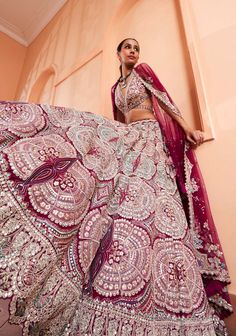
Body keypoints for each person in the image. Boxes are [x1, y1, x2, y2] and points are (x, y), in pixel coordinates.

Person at [0, 38, 232, 336]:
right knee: (100, 171)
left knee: (151, 204)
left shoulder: (143, 72)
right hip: (130, 135)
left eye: (137, 47)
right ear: (119, 53)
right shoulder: (116, 89)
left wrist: (188, 129)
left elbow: (164, 101)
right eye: (128, 48)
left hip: (149, 138)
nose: (134, 51)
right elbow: (119, 120)